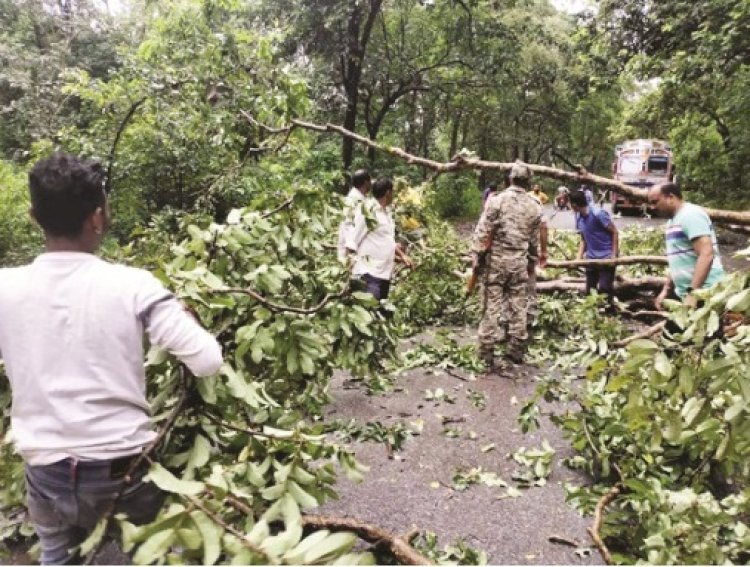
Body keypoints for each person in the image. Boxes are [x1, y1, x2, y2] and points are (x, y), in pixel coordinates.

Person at [0, 153, 223, 564]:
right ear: (98, 217)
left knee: (57, 557)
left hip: (45, 471)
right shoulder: (134, 286)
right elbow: (207, 361)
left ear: (33, 217)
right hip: (123, 472)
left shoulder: (5, 288)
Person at [471, 162, 544, 370]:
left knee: (491, 307)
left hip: (496, 264)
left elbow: (483, 232)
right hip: (518, 264)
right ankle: (516, 350)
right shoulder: (535, 205)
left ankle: (486, 353)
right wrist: (532, 262)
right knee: (518, 306)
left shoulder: (496, 201)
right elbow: (533, 241)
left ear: (511, 178)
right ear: (527, 181)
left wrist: (475, 257)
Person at [648, 182, 725, 309]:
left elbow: (707, 254)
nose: (652, 207)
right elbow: (678, 262)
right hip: (687, 294)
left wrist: (693, 294)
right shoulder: (672, 221)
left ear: (671, 197)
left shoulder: (690, 215)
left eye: (655, 202)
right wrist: (666, 290)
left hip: (705, 294)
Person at [347, 176, 413, 300]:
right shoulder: (368, 211)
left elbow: (388, 241)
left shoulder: (386, 213)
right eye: (392, 192)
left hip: (384, 275)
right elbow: (352, 240)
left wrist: (402, 256)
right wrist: (348, 269)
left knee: (380, 314)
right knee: (370, 313)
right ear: (388, 192)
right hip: (368, 275)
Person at [569, 189, 619, 306]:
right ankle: (593, 317)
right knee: (590, 291)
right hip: (591, 258)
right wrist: (578, 257)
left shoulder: (598, 214)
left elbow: (615, 232)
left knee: (604, 289)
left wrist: (614, 255)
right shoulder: (579, 217)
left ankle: (608, 315)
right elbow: (583, 239)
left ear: (574, 205)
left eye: (570, 203)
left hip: (606, 257)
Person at [337, 169, 371, 261]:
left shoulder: (358, 197)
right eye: (369, 181)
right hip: (351, 248)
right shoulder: (356, 201)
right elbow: (352, 226)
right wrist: (350, 249)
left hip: (352, 247)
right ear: (366, 183)